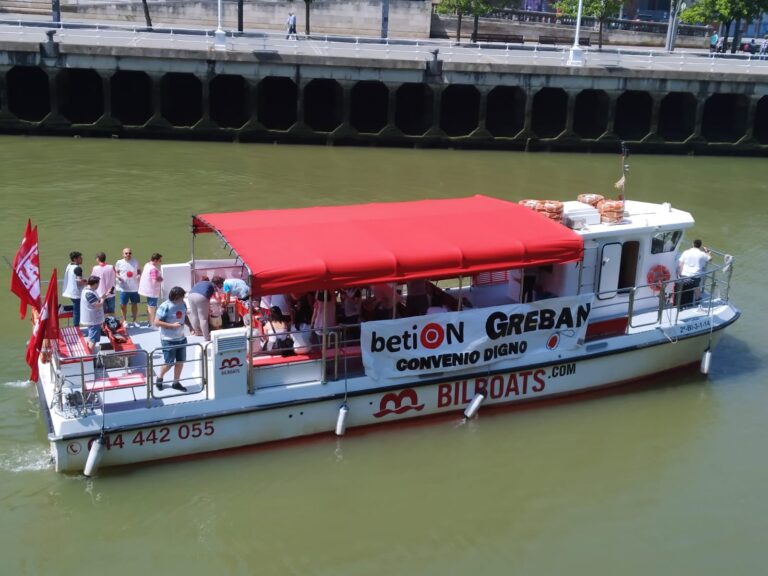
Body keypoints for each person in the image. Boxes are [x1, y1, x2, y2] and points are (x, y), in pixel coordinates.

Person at [154, 286, 193, 392]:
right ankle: (160, 378)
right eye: (182, 296)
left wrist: (190, 326)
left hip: (181, 338)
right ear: (176, 296)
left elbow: (184, 316)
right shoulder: (165, 306)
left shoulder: (183, 304)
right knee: (169, 363)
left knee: (180, 361)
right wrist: (172, 326)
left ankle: (176, 383)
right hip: (168, 339)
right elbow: (156, 322)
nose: (183, 298)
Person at [187, 275, 224, 340]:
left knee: (195, 316)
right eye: (221, 284)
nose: (221, 286)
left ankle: (197, 332)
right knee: (203, 318)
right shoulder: (214, 286)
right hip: (201, 297)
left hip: (190, 295)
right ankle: (206, 337)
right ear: (218, 283)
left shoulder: (203, 282)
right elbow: (217, 297)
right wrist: (220, 304)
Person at [677, 239, 712, 305]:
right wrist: (707, 252)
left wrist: (680, 273)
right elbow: (710, 259)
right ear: (700, 246)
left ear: (693, 244)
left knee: (685, 288)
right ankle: (697, 299)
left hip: (685, 274)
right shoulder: (702, 254)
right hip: (696, 275)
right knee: (696, 287)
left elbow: (680, 264)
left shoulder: (686, 252)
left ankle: (682, 301)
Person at [80, 276, 107, 353]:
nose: (98, 286)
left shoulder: (87, 289)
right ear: (95, 284)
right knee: (93, 339)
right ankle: (89, 356)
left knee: (91, 335)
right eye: (98, 284)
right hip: (93, 319)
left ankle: (88, 350)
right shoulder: (89, 293)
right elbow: (98, 305)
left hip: (91, 318)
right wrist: (103, 299)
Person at [115, 247, 141, 326]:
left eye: (129, 253)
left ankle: (135, 320)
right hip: (124, 288)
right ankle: (124, 320)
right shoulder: (119, 262)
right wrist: (118, 277)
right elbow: (116, 272)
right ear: (123, 254)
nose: (128, 255)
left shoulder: (135, 261)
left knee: (134, 304)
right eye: (126, 253)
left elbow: (139, 270)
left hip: (134, 288)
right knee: (123, 305)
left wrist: (139, 275)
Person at [138, 252, 163, 328]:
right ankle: (152, 323)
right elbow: (154, 279)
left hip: (146, 290)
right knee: (152, 307)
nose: (160, 262)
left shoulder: (147, 264)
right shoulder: (153, 269)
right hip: (152, 291)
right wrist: (161, 278)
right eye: (159, 260)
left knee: (149, 306)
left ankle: (149, 321)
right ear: (155, 260)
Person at [62, 251, 85, 327]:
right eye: (80, 258)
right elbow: (79, 281)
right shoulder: (78, 269)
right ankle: (76, 327)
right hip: (76, 293)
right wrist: (87, 282)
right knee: (77, 311)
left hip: (70, 292)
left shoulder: (69, 266)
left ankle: (64, 308)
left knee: (77, 308)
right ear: (75, 259)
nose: (82, 259)